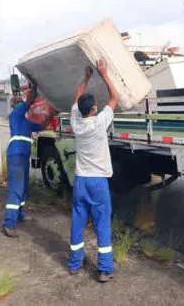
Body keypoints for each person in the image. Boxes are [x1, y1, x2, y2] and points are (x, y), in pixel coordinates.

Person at [68, 59, 119, 282]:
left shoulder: (76, 122)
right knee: (102, 224)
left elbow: (77, 99)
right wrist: (104, 74)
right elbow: (115, 98)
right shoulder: (99, 123)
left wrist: (87, 76)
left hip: (80, 181)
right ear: (93, 109)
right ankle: (104, 269)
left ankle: (74, 263)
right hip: (98, 182)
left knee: (78, 222)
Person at [3, 80, 58, 238]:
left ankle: (19, 214)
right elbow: (27, 104)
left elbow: (41, 126)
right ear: (14, 105)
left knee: (24, 186)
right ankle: (9, 224)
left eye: (20, 100)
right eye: (16, 101)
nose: (19, 101)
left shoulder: (26, 122)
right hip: (16, 156)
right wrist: (31, 93)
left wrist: (51, 115)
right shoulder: (14, 116)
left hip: (22, 157)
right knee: (16, 188)